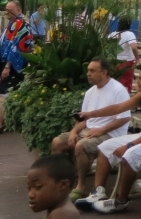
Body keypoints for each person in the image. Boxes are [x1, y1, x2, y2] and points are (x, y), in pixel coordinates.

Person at [76, 63, 141, 214]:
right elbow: (118, 108)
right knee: (105, 147)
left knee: (130, 155)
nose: (138, 81)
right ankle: (97, 192)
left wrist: (129, 145)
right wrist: (90, 114)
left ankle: (120, 201)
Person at [50, 58, 131, 201]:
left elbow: (124, 118)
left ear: (104, 72)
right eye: (88, 70)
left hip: (111, 134)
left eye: (92, 71)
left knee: (81, 146)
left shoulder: (118, 90)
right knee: (57, 142)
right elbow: (85, 119)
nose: (88, 74)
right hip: (88, 130)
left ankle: (80, 186)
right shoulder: (90, 92)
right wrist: (74, 132)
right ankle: (59, 182)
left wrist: (102, 130)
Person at [0, 1, 36, 136]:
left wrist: (7, 66)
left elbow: (16, 47)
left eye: (10, 10)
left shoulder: (21, 24)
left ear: (19, 10)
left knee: (2, 93)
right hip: (7, 65)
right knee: (1, 92)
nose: (7, 12)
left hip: (13, 67)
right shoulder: (13, 24)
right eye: (6, 10)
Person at [108, 17, 139, 92]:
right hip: (127, 62)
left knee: (114, 82)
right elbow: (134, 47)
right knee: (126, 83)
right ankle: (125, 100)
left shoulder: (112, 34)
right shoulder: (129, 34)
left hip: (114, 62)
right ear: (129, 25)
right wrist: (137, 58)